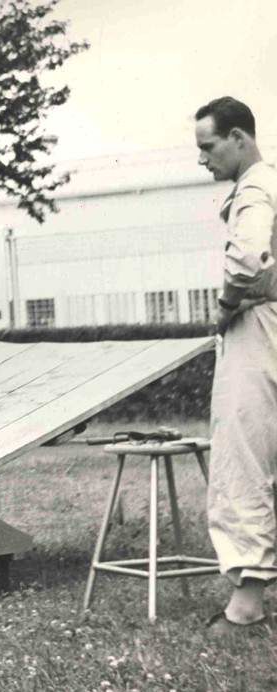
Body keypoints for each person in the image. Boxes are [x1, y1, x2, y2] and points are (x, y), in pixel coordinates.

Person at [194, 96, 277, 634]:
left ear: (239, 138)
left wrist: (225, 306)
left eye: (208, 146)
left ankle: (246, 606)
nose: (203, 160)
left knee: (243, 458)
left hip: (259, 329)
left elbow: (248, 258)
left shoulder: (254, 187)